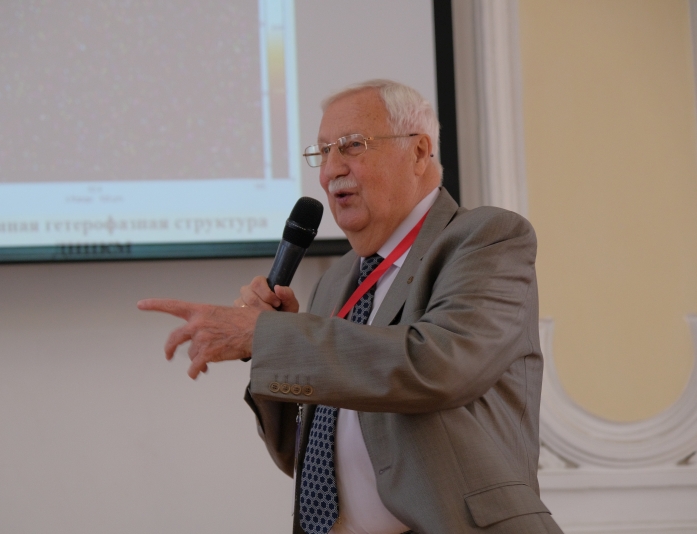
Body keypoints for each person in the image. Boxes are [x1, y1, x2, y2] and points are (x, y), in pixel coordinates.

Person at [138, 79, 562, 534]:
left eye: (352, 145)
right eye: (322, 152)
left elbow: (440, 366)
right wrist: (270, 346)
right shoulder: (337, 280)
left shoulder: (485, 238)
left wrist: (265, 336)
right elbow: (301, 457)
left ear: (419, 152)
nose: (330, 170)